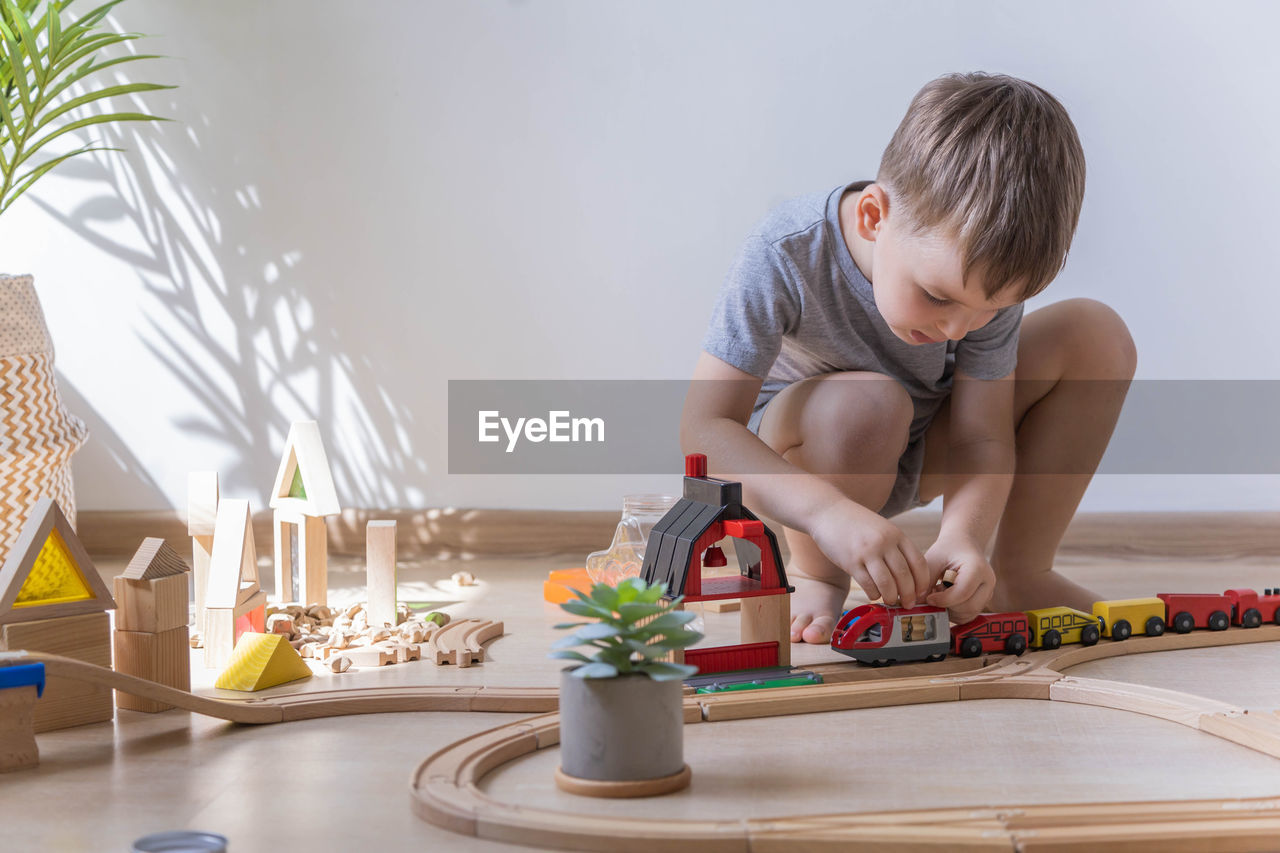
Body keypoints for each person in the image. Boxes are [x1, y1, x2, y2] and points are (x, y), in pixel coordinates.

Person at [682, 72, 1137, 643]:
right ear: (875, 217)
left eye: (989, 309)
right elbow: (704, 429)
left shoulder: (978, 292)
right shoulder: (785, 252)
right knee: (867, 401)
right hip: (806, 470)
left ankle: (1023, 572)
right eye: (939, 297)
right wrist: (828, 516)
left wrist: (965, 536)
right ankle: (819, 575)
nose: (958, 327)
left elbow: (980, 437)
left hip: (919, 442)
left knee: (1095, 334)